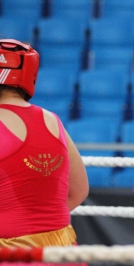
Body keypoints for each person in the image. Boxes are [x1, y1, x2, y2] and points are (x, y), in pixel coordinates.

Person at [0, 38, 89, 248]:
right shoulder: (52, 120)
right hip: (63, 251)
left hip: (10, 255)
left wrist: (19, 232)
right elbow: (79, 190)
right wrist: (39, 228)